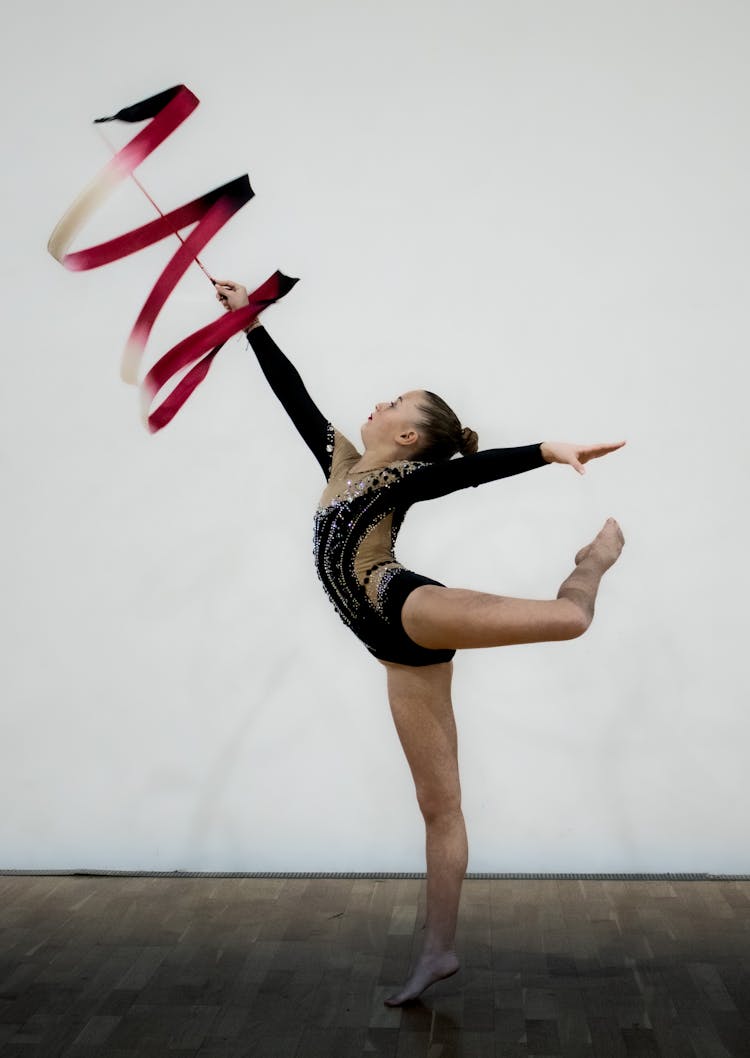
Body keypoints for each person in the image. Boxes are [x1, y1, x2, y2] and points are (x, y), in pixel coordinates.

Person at [215, 279, 625, 1005]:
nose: (376, 403)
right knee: (439, 806)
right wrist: (249, 319)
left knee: (569, 620)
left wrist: (545, 450)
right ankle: (438, 951)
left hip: (402, 607)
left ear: (408, 437)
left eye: (393, 402)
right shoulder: (340, 460)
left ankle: (590, 564)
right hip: (390, 652)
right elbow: (291, 392)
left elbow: (467, 473)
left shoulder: (407, 477)